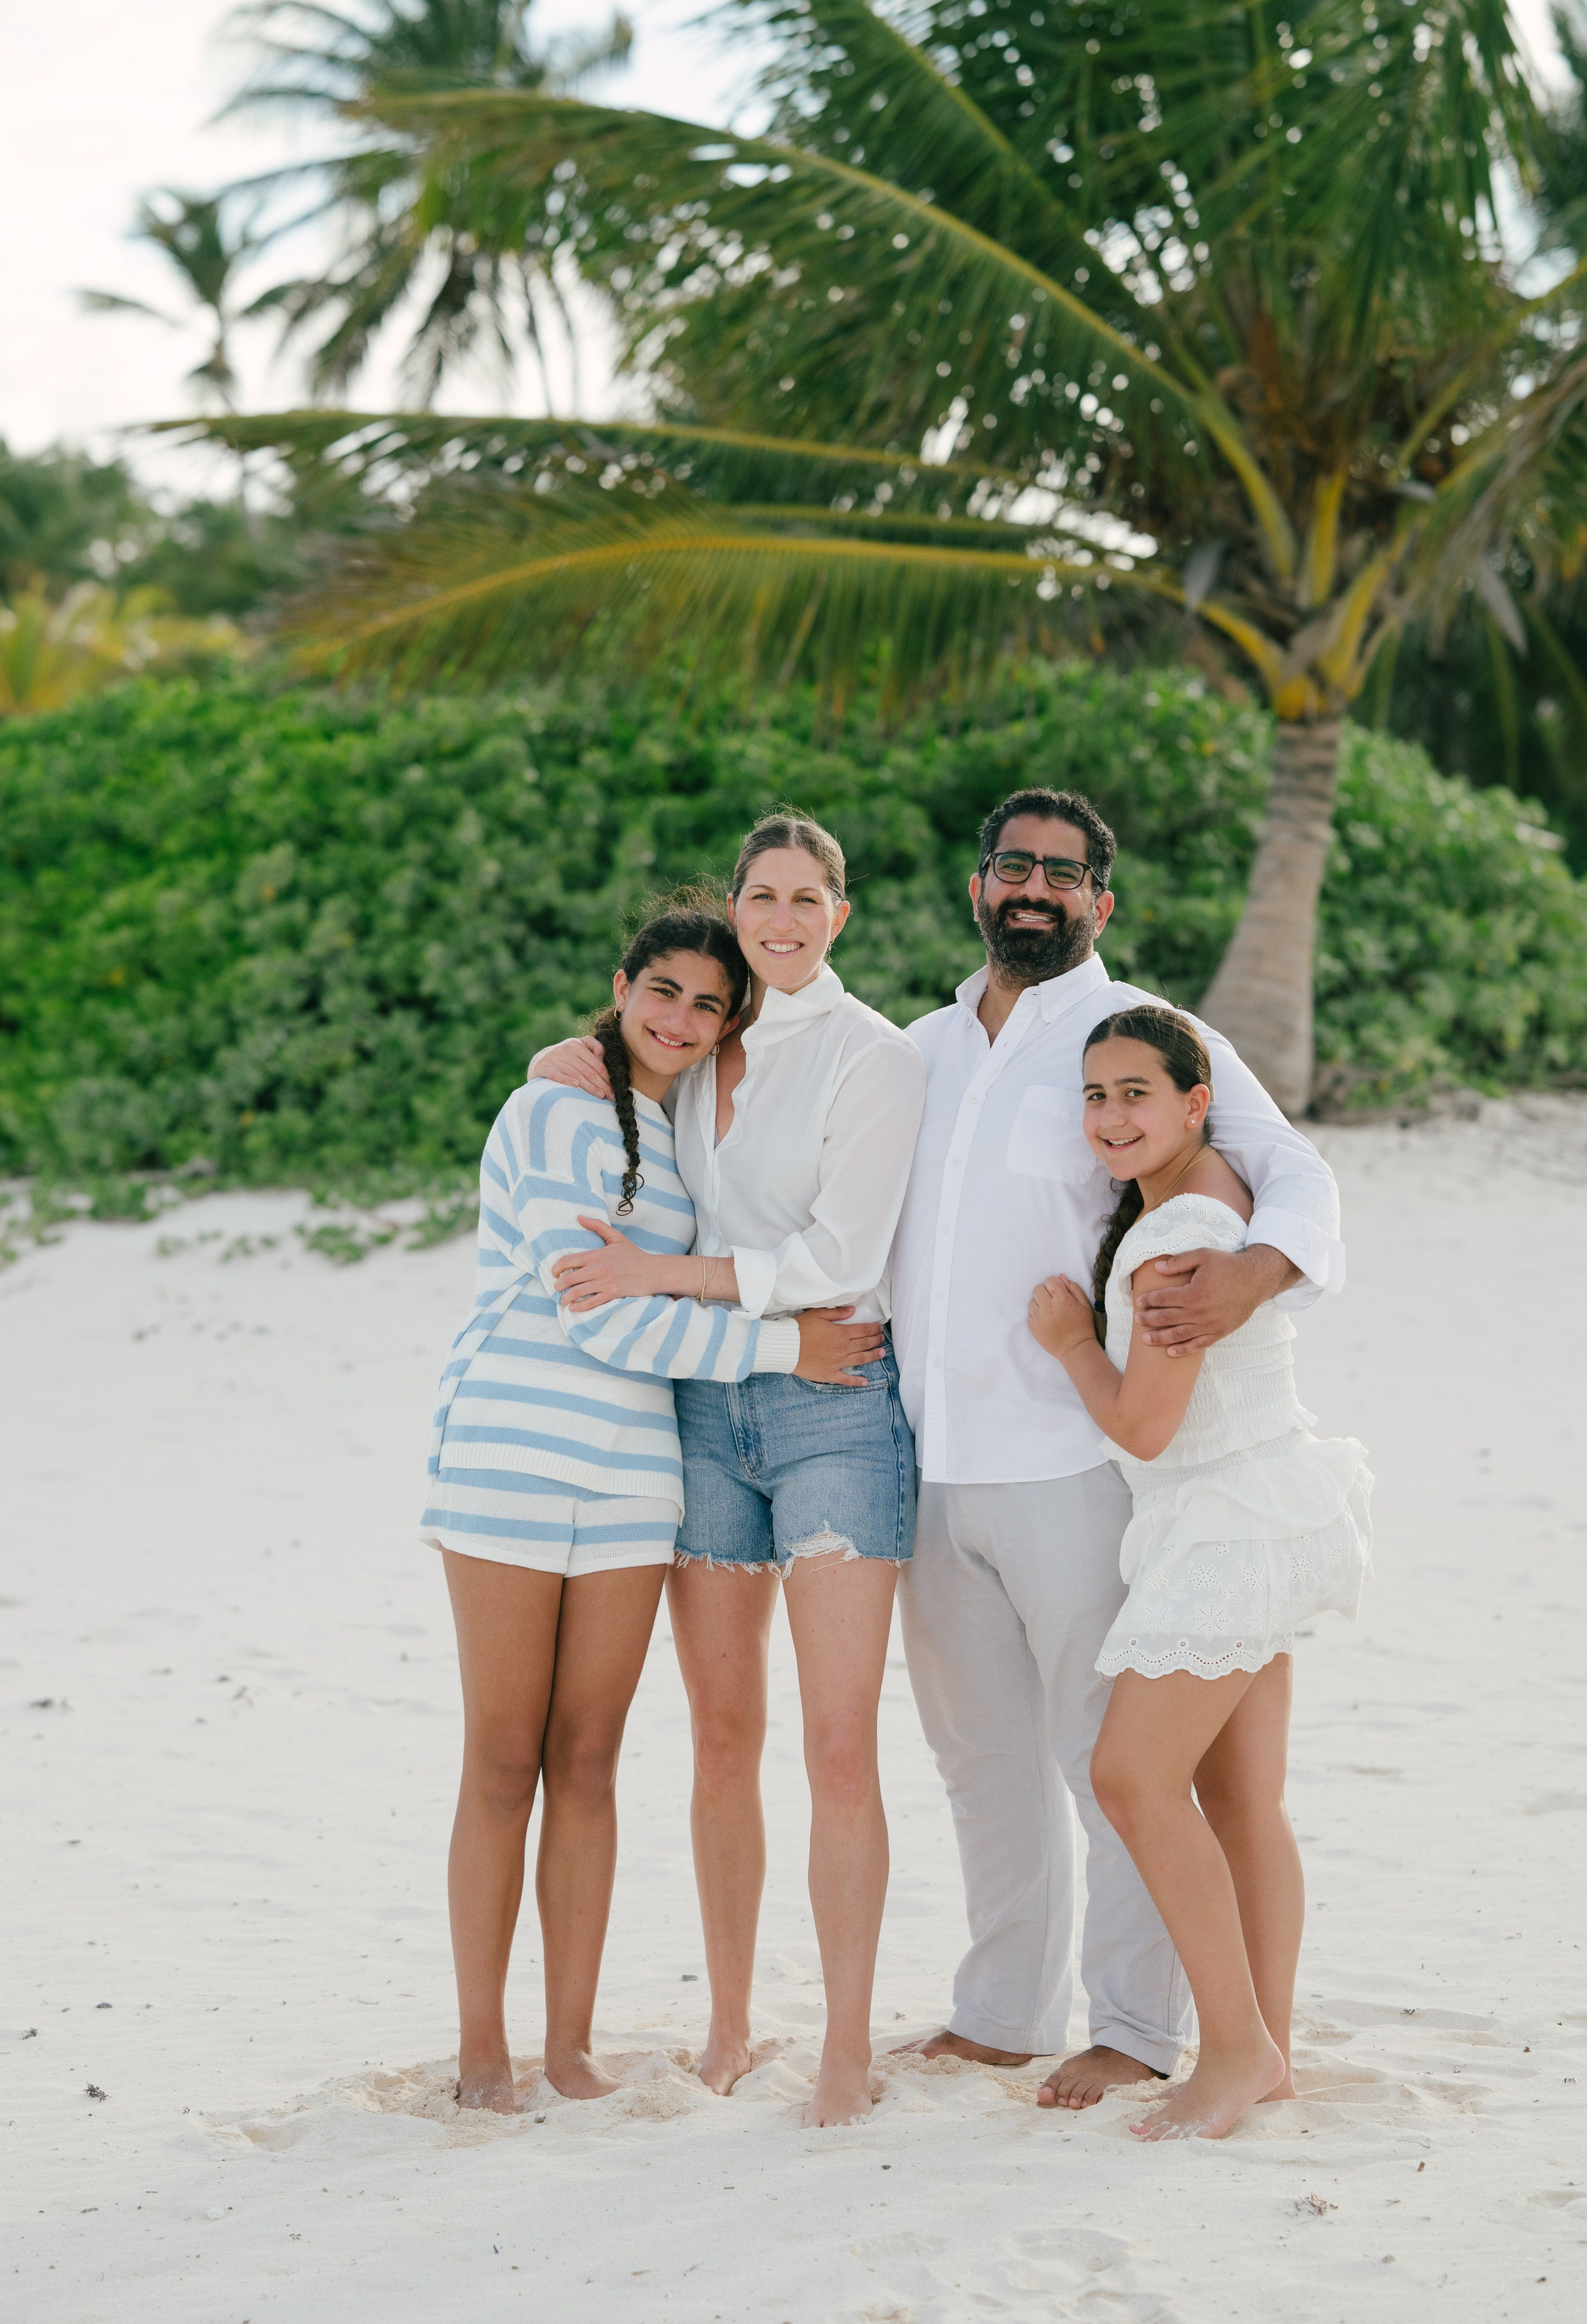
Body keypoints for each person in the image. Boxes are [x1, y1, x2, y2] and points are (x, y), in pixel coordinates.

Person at [891, 787, 1346, 2111]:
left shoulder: (1141, 1032)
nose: (1033, 886)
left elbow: (1286, 1166)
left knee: (1108, 1760)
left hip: (1078, 1466)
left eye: (1062, 871)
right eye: (1011, 865)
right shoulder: (915, 1049)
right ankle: (995, 2012)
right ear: (979, 884)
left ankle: (1140, 2027)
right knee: (979, 1760)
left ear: (1101, 897)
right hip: (926, 1457)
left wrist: (1258, 1271)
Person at [423, 903, 885, 2113]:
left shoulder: (683, 1124)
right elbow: (598, 1306)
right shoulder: (548, 1109)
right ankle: (484, 2051)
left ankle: (567, 2048)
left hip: (636, 1470)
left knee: (587, 1759)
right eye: (662, 992)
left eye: (707, 1005)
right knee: (499, 1758)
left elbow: (686, 1273)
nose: (681, 1019)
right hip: (513, 1459)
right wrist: (789, 1347)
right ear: (621, 985)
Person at [530, 812, 926, 2125]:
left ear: (839, 915)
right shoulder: (699, 1047)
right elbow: (603, 1071)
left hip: (832, 1403)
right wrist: (563, 1058)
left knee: (833, 1742)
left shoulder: (873, 1060)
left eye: (807, 897)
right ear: (738, 906)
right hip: (705, 1410)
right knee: (715, 1734)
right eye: (762, 894)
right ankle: (730, 2024)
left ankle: (844, 2045)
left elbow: (834, 1258)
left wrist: (661, 1275)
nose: (781, 917)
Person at [1027, 1004, 1371, 2139]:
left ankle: (1230, 2049)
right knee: (1238, 1799)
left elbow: (1146, 1429)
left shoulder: (1176, 1231)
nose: (1111, 1115)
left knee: (1131, 1776)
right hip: (1261, 1502)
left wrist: (1073, 1339)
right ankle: (1265, 2047)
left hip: (1226, 1519)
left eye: (1137, 1092)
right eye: (1094, 1094)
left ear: (1194, 1100)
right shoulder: (1217, 1191)